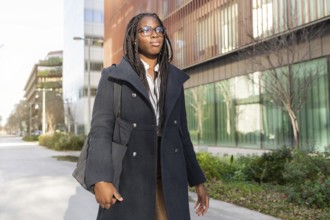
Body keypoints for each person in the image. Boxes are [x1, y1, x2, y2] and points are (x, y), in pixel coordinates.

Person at [85, 12, 209, 220]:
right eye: (146, 30)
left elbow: (182, 134)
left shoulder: (174, 80)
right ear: (134, 37)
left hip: (168, 172)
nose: (155, 35)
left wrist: (198, 181)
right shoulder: (114, 78)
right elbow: (100, 131)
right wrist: (100, 179)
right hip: (130, 174)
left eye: (159, 30)